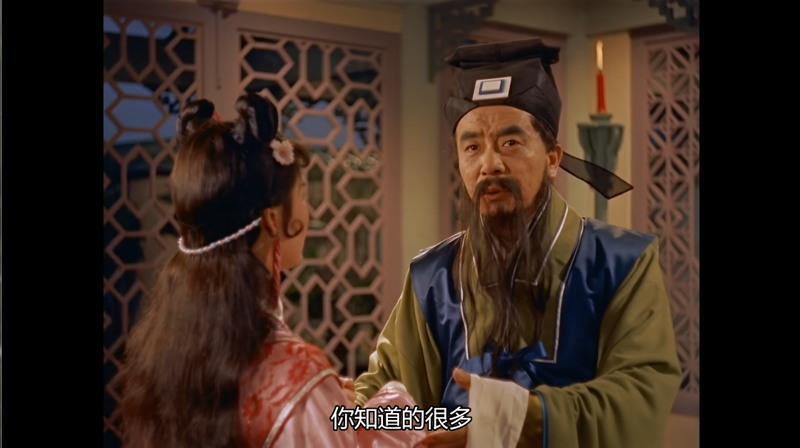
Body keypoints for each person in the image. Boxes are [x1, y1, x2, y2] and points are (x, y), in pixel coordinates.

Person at [354, 38, 682, 447]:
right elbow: (388, 390)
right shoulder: (432, 277)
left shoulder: (621, 264)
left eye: (510, 143)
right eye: (472, 147)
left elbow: (639, 398)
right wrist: (341, 410)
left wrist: (515, 419)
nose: (489, 164)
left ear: (552, 159)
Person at [119, 92, 425, 447]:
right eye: (302, 194)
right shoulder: (294, 372)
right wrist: (391, 402)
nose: (308, 211)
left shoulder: (166, 348)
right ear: (273, 219)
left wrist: (325, 398)